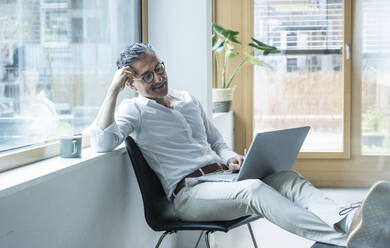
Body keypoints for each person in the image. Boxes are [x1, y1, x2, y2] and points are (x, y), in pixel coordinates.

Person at [88, 43, 390, 247]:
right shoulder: (134, 110)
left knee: (285, 178)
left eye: (159, 67)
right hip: (189, 194)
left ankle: (350, 220)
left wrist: (231, 158)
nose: (158, 78)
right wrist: (113, 90)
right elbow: (102, 142)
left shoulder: (187, 99)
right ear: (131, 83)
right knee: (254, 190)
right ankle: (345, 240)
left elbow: (216, 141)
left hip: (224, 179)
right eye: (147, 75)